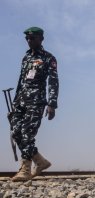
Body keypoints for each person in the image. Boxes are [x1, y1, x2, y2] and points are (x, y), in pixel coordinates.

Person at [10, 27, 59, 181]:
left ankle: (25, 170)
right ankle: (40, 161)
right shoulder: (26, 58)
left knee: (27, 133)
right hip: (20, 101)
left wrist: (52, 104)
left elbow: (53, 82)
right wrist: (15, 102)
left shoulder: (48, 58)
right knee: (16, 132)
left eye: (33, 38)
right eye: (27, 39)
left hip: (36, 102)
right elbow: (21, 81)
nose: (29, 41)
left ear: (41, 39)